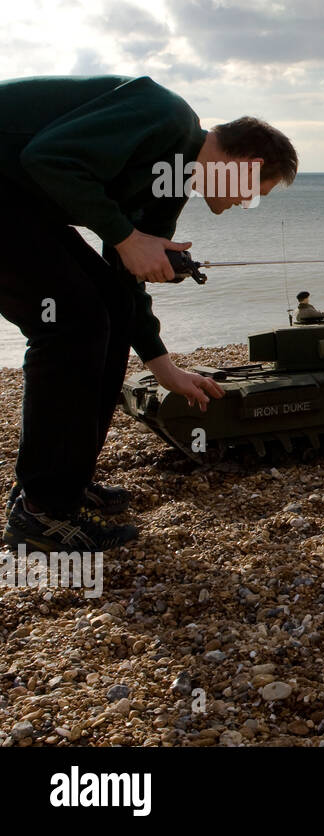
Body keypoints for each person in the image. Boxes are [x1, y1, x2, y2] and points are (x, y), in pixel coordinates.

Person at [0, 75, 297, 553]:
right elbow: (47, 158)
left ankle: (63, 483)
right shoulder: (165, 114)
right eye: (255, 190)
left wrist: (163, 366)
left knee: (108, 309)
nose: (247, 202)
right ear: (249, 164)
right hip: (10, 196)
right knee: (71, 325)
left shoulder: (170, 186)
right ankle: (42, 510)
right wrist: (125, 238)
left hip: (21, 204)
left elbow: (125, 283)